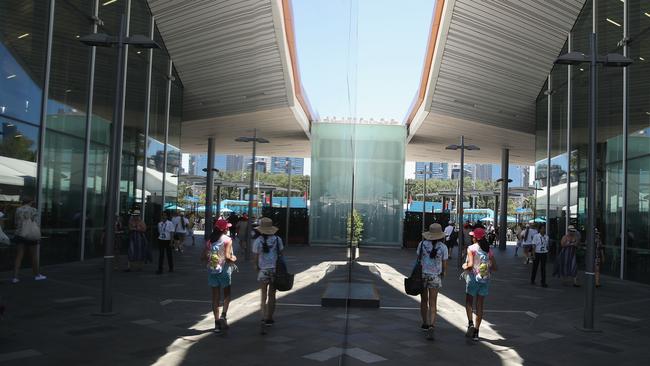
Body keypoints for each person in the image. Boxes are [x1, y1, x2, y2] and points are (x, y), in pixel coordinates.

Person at [462, 228, 497, 341]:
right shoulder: (488, 249)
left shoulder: (471, 248)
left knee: (469, 301)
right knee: (480, 305)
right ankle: (477, 332)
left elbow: (471, 264)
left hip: (473, 278)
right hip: (485, 279)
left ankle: (471, 323)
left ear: (475, 238)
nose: (471, 237)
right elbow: (495, 267)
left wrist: (464, 266)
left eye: (473, 236)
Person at [203, 218, 237, 334]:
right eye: (227, 227)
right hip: (224, 271)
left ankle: (216, 324)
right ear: (225, 229)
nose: (228, 228)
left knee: (215, 297)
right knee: (227, 294)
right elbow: (228, 257)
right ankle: (223, 315)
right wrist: (234, 258)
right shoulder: (227, 240)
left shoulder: (210, 240)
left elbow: (203, 257)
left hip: (213, 270)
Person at [416, 223, 449, 341]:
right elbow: (445, 264)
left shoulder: (422, 244)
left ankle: (424, 323)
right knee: (433, 302)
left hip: (423, 275)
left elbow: (418, 259)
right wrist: (444, 273)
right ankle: (432, 325)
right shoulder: (443, 247)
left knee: (423, 301)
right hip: (435, 276)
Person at [252, 217, 284, 334]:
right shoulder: (277, 239)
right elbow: (281, 254)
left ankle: (263, 317)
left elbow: (255, 259)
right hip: (275, 270)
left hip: (263, 270)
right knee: (272, 295)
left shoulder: (257, 241)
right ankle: (270, 318)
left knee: (263, 295)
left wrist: (257, 268)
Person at [12, 197, 46, 283]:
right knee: (34, 256)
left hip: (20, 234)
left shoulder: (18, 209)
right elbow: (36, 222)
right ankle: (37, 275)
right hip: (31, 235)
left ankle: (15, 277)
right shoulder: (33, 210)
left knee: (19, 256)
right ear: (31, 202)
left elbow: (16, 222)